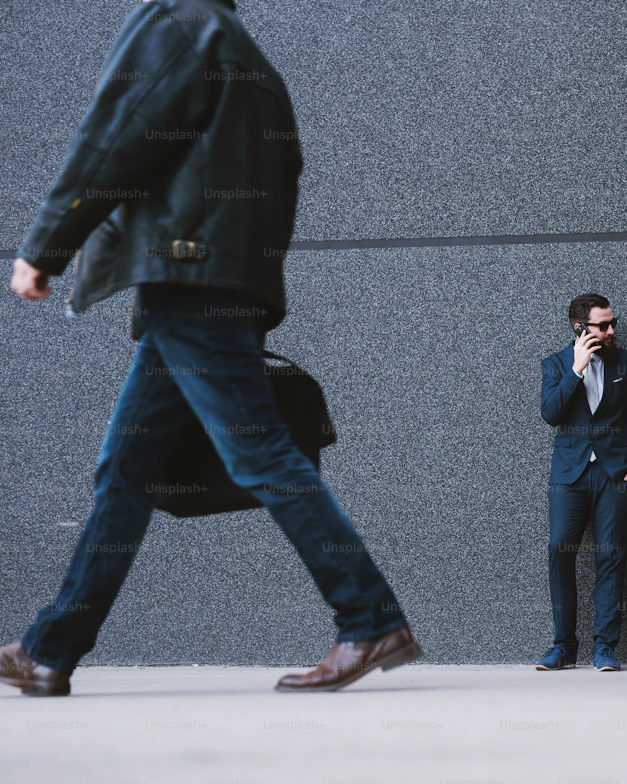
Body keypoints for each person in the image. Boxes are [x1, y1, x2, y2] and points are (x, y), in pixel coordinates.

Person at [1, 0, 419, 697]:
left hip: (188, 276)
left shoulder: (175, 24)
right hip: (217, 279)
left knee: (260, 452)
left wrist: (45, 247)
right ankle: (50, 651)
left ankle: (370, 616)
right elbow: (285, 175)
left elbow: (115, 136)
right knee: (125, 471)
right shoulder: (251, 57)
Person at [537, 293, 627, 671]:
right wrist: (577, 369)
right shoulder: (556, 364)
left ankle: (605, 646)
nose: (610, 331)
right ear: (579, 327)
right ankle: (563, 647)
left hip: (616, 474)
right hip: (569, 475)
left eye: (612, 323)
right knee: (560, 550)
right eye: (601, 325)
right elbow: (551, 414)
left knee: (610, 556)